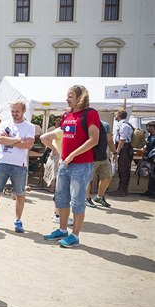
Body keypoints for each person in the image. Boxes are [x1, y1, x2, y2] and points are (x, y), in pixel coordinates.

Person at [44, 85, 100, 248]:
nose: (66, 99)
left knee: (77, 201)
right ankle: (62, 230)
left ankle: (75, 236)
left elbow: (94, 140)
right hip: (65, 164)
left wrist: (72, 155)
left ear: (80, 97)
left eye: (70, 96)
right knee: (61, 198)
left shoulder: (90, 114)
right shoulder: (67, 114)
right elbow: (64, 135)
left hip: (81, 165)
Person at [0, 101, 35, 233]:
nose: (14, 114)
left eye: (17, 111)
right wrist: (18, 139)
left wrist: (10, 140)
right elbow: (0, 140)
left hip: (19, 165)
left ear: (23, 111)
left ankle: (18, 220)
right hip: (2, 162)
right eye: (12, 111)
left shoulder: (29, 126)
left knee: (20, 194)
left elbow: (28, 145)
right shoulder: (4, 124)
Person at [40, 120, 74, 227]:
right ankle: (58, 215)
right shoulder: (61, 131)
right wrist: (54, 149)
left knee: (60, 190)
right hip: (59, 161)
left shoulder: (61, 131)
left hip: (59, 161)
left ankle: (57, 214)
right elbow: (43, 137)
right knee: (61, 190)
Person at [85, 118, 116, 208]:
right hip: (90, 157)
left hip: (103, 156)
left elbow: (109, 140)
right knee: (88, 179)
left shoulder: (105, 125)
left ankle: (99, 196)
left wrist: (114, 152)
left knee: (107, 177)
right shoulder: (85, 124)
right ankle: (86, 198)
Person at [109, 110, 133, 197]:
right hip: (125, 148)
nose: (115, 115)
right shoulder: (124, 124)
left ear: (119, 115)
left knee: (123, 170)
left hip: (124, 149)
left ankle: (122, 190)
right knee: (124, 169)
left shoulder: (123, 125)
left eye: (116, 114)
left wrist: (117, 152)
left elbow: (122, 140)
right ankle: (123, 189)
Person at [140, 121, 155, 198]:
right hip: (149, 159)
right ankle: (150, 191)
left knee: (153, 175)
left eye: (148, 127)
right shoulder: (150, 137)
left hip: (153, 159)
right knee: (151, 175)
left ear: (153, 127)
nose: (147, 128)